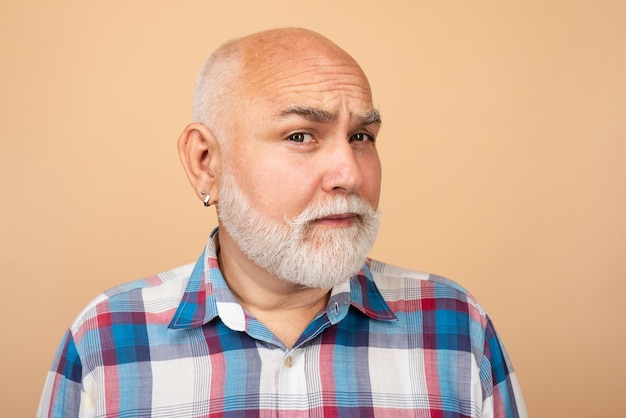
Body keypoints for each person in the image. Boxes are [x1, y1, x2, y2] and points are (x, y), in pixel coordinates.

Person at [37, 28, 527, 417]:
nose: (349, 174)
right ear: (206, 161)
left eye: (361, 136)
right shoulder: (105, 340)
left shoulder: (459, 329)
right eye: (300, 135)